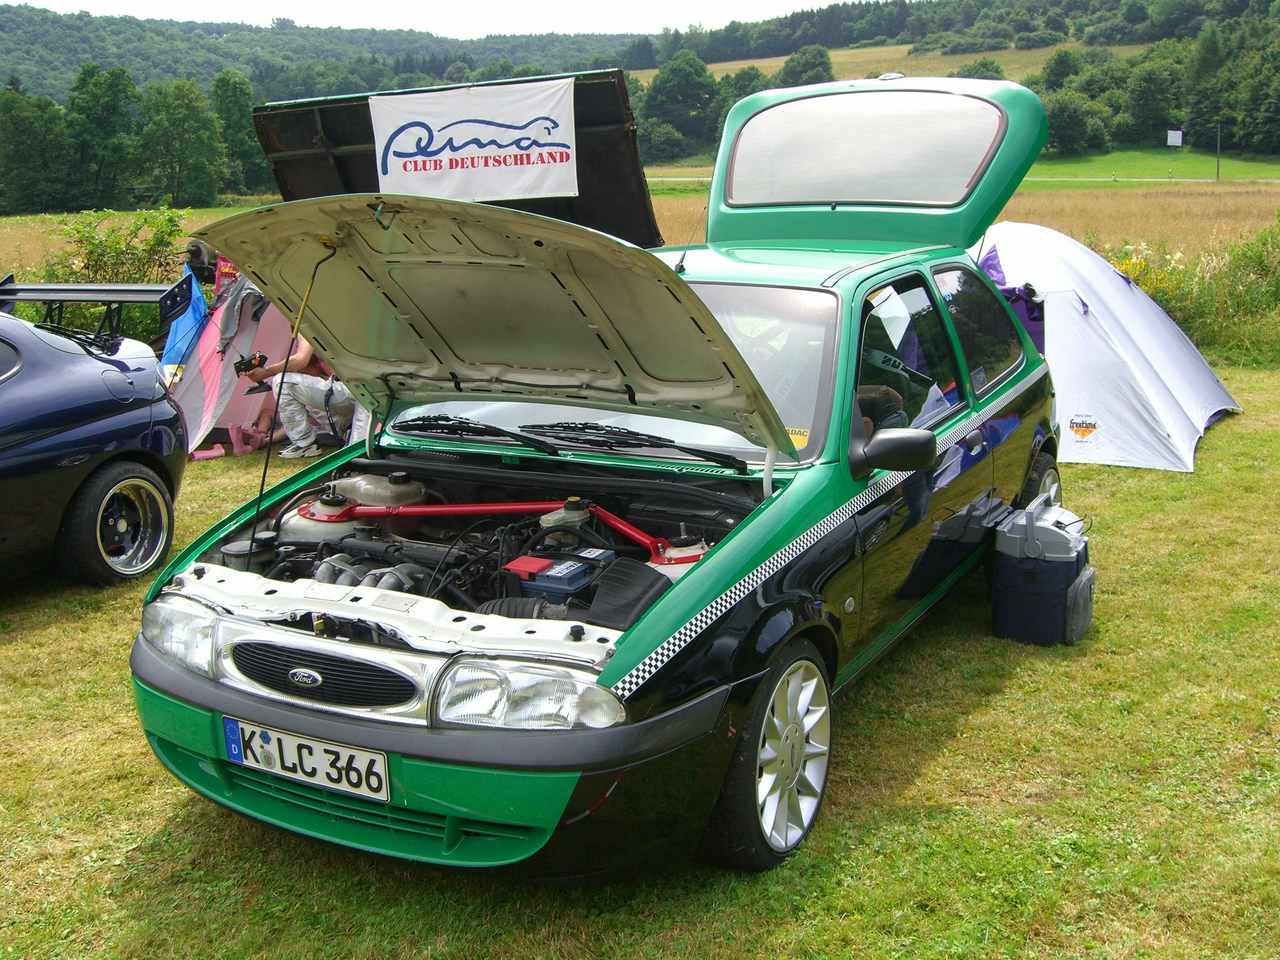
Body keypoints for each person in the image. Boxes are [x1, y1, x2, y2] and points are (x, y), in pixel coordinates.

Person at [241, 337, 370, 458]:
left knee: (282, 382)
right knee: (301, 394)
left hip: (354, 391)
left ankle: (304, 444)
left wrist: (265, 372)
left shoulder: (307, 324)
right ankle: (349, 434)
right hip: (367, 391)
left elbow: (300, 360)